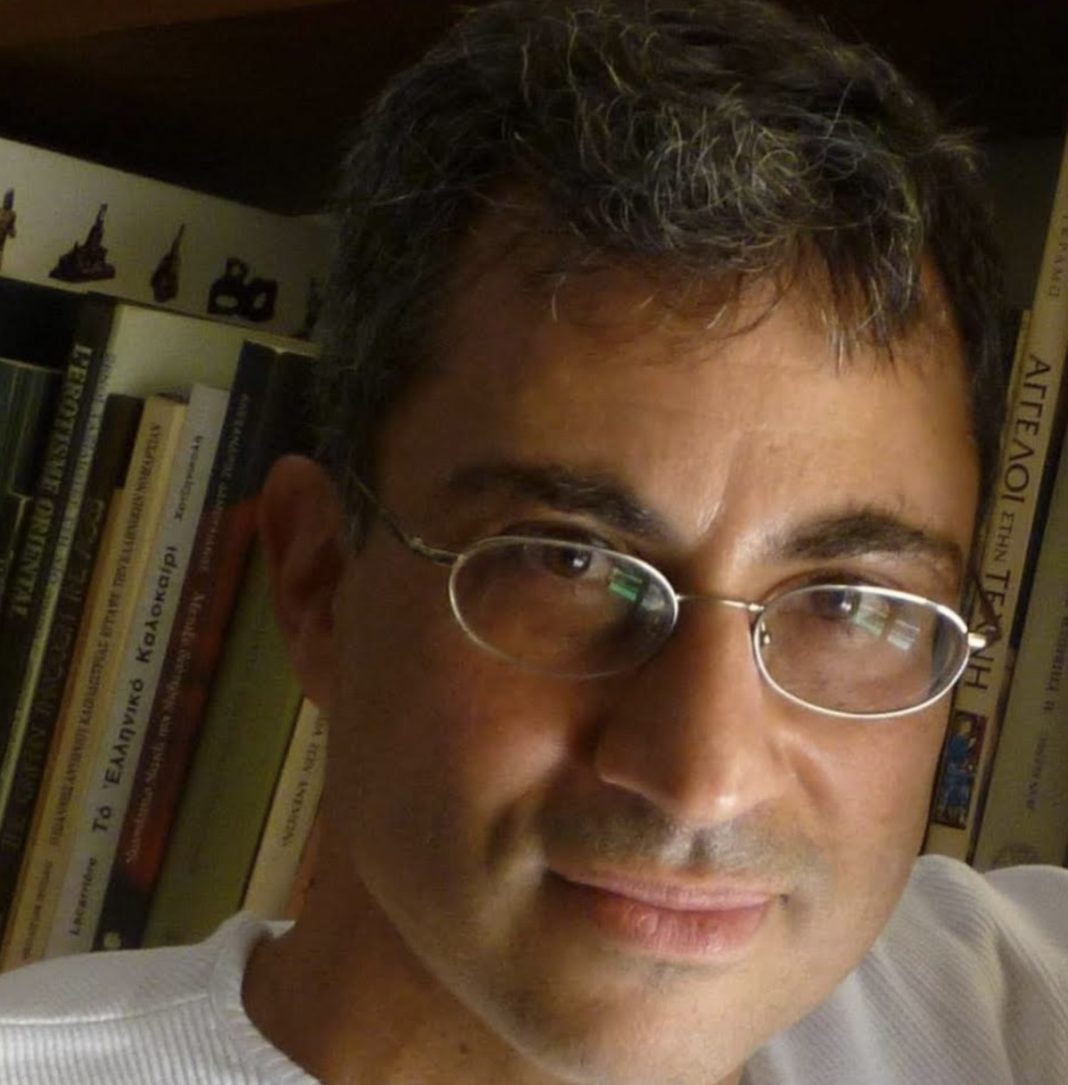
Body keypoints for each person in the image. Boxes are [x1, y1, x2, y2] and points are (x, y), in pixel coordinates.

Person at [1, 1, 1065, 1083]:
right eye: (571, 563)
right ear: (320, 582)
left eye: (846, 602)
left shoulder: (1005, 1009)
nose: (705, 777)